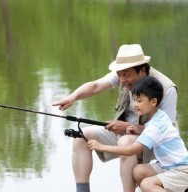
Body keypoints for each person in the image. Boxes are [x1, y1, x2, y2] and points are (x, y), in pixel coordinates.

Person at [53, 44, 178, 192]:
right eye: (119, 74)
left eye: (126, 74)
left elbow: (164, 130)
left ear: (143, 70)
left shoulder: (167, 89)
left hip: (156, 142)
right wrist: (72, 97)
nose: (122, 79)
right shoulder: (123, 76)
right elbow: (95, 86)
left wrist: (126, 127)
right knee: (81, 136)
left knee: (125, 141)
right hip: (126, 134)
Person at [87, 76, 188, 192]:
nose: (135, 104)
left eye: (139, 101)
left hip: (182, 171)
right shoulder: (158, 117)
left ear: (154, 102)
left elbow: (131, 150)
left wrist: (101, 147)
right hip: (167, 166)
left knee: (147, 184)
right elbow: (153, 130)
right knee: (138, 171)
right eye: (134, 99)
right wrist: (139, 130)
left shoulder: (156, 125)